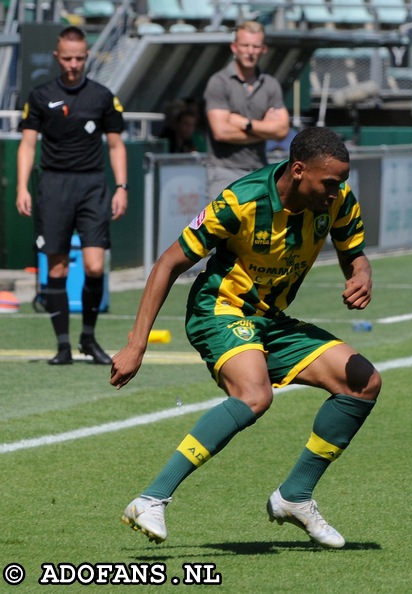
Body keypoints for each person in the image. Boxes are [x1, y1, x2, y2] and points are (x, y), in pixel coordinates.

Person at [113, 127, 380, 549]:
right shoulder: (241, 202)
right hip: (218, 310)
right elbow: (168, 264)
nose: (336, 191)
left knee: (363, 382)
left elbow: (354, 255)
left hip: (269, 318)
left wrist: (361, 276)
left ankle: (294, 496)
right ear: (297, 171)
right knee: (255, 394)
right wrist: (136, 343)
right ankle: (151, 498)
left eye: (340, 183)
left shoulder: (338, 201)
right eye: (329, 183)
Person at [16, 25, 128, 366]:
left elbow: (115, 144)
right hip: (53, 185)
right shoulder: (39, 96)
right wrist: (22, 186)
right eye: (67, 58)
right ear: (56, 56)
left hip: (92, 185)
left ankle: (88, 339)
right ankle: (63, 346)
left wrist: (121, 187)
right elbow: (28, 144)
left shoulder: (103, 96)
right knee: (58, 267)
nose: (73, 64)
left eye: (79, 58)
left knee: (94, 266)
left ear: (87, 56)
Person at [204, 21, 290, 200]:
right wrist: (266, 130)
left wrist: (245, 123)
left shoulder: (271, 84)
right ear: (234, 47)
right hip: (223, 173)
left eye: (255, 46)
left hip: (260, 172)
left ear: (263, 49)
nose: (250, 51)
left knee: (260, 228)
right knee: (222, 228)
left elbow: (282, 130)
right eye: (245, 45)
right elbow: (221, 132)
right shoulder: (219, 82)